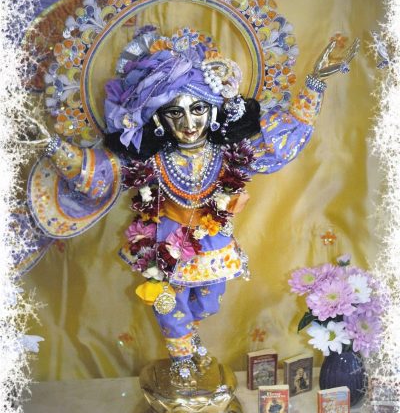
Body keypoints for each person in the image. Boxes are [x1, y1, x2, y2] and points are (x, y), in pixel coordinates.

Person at [25, 26, 359, 388]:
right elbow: (97, 171)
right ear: (158, 119)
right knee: (167, 302)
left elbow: (284, 138)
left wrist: (315, 83)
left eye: (198, 109)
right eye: (175, 113)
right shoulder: (153, 159)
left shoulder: (228, 154)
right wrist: (51, 145)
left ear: (213, 111)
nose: (188, 124)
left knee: (209, 303)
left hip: (213, 241)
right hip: (161, 242)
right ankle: (182, 359)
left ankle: (187, 336)